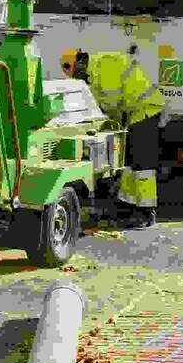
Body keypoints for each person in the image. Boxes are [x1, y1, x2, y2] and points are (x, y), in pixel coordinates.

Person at [61, 46, 165, 229]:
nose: (78, 78)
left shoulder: (105, 64)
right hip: (135, 113)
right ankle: (130, 208)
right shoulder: (94, 74)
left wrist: (103, 122)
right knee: (130, 164)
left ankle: (146, 212)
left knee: (142, 166)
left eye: (77, 73)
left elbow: (112, 102)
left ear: (80, 62)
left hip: (146, 109)